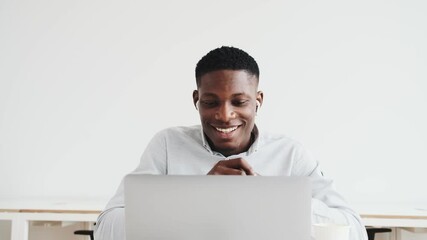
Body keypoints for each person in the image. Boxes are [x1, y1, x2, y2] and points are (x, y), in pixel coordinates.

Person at [94, 46, 368, 240]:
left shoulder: (290, 154)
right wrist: (196, 196)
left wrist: (272, 198)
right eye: (211, 102)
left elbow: (353, 231)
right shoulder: (167, 145)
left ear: (258, 101)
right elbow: (105, 229)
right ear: (196, 100)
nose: (225, 115)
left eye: (239, 102)